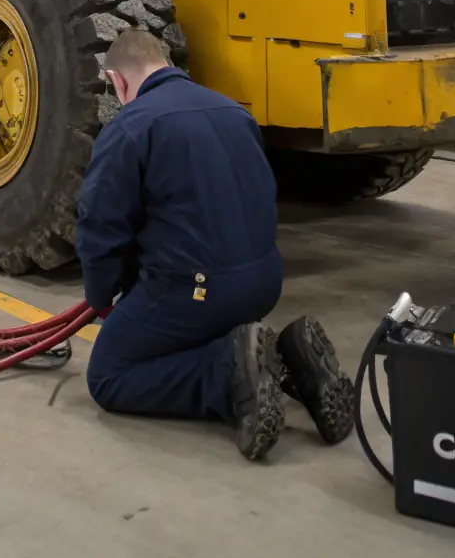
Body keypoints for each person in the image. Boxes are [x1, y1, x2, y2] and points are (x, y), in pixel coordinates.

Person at [77, 28, 354, 461]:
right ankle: (291, 355)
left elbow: (100, 226)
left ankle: (226, 375)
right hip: (262, 285)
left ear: (119, 81)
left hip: (196, 292)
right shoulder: (234, 113)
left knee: (110, 375)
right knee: (195, 332)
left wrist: (102, 297)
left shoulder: (131, 126)